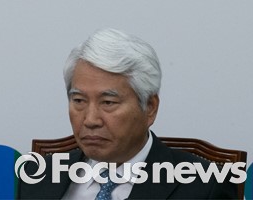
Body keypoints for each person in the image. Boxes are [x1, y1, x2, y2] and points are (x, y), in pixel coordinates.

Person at [17, 28, 237, 199]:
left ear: (150, 107)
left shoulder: (204, 185)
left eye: (108, 102)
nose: (90, 120)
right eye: (79, 101)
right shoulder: (38, 175)